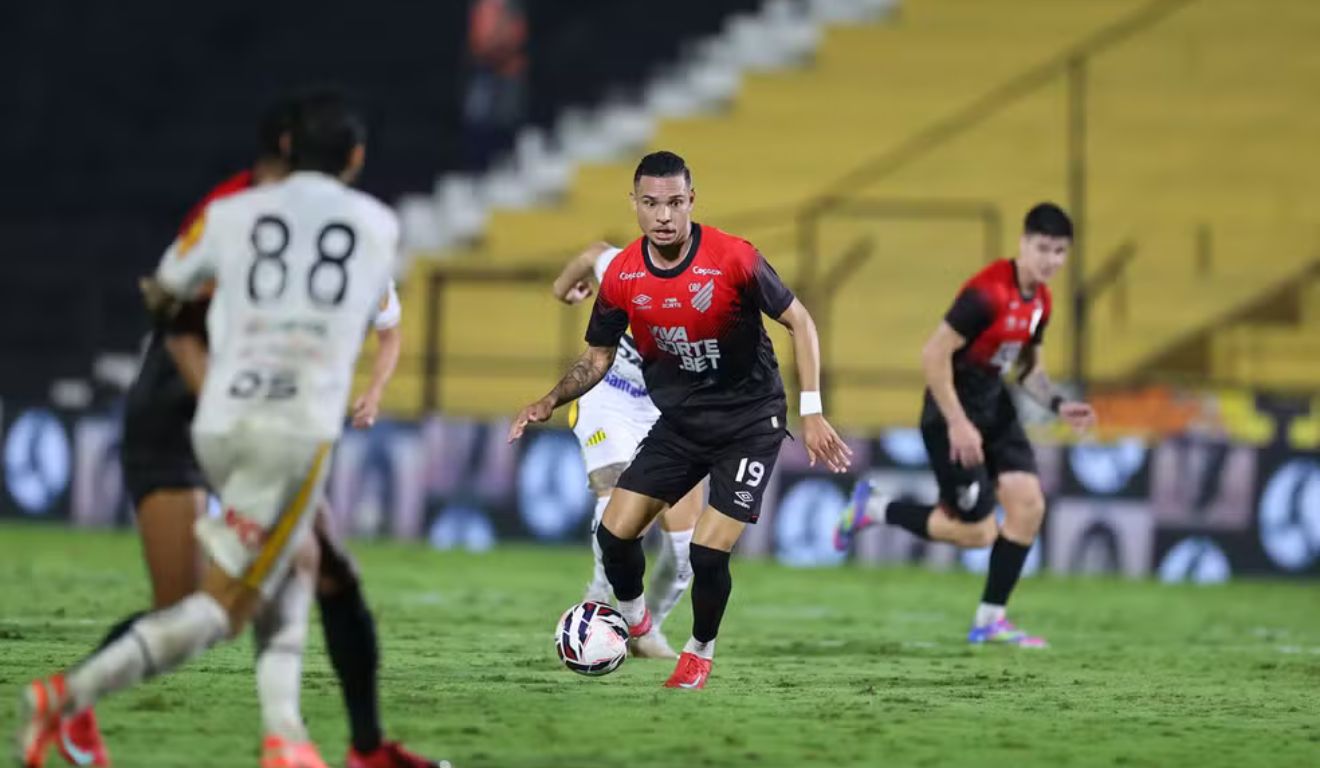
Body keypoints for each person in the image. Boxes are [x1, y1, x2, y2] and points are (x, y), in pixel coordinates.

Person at [16, 92, 445, 768]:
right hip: (266, 421)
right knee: (217, 607)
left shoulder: (228, 215)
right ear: (354, 159)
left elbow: (163, 290)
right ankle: (66, 698)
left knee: (314, 562)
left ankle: (305, 739)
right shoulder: (371, 223)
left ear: (283, 150)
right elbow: (358, 309)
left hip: (224, 409)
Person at [510, 151, 852, 689]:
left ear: (691, 200)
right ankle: (636, 620)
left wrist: (811, 410)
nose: (664, 215)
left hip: (749, 421)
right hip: (681, 421)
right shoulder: (622, 274)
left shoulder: (734, 259)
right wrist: (548, 400)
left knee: (705, 552)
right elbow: (597, 357)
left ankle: (699, 651)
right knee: (613, 533)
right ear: (636, 205)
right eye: (651, 204)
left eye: (674, 203)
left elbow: (800, 321)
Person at [834, 202, 1096, 647]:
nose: (1051, 260)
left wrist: (1057, 403)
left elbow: (1028, 368)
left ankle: (991, 620)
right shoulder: (987, 292)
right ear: (1023, 243)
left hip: (995, 407)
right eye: (1044, 248)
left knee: (1029, 506)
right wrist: (958, 423)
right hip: (949, 413)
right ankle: (875, 509)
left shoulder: (1042, 301)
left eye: (1060, 251)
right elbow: (933, 354)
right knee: (978, 533)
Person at [551, 242, 703, 659]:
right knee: (618, 497)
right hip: (609, 399)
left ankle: (643, 629)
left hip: (668, 414)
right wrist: (563, 288)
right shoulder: (628, 270)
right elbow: (591, 253)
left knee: (687, 549)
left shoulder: (715, 307)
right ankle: (600, 598)